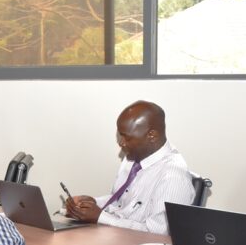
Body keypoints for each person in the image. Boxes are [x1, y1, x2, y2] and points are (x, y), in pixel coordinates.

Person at [65, 100, 194, 235]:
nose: (121, 143)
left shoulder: (173, 176)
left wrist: (101, 217)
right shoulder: (134, 157)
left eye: (127, 138)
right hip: (116, 239)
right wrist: (92, 203)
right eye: (120, 136)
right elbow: (121, 203)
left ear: (152, 135)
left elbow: (158, 234)